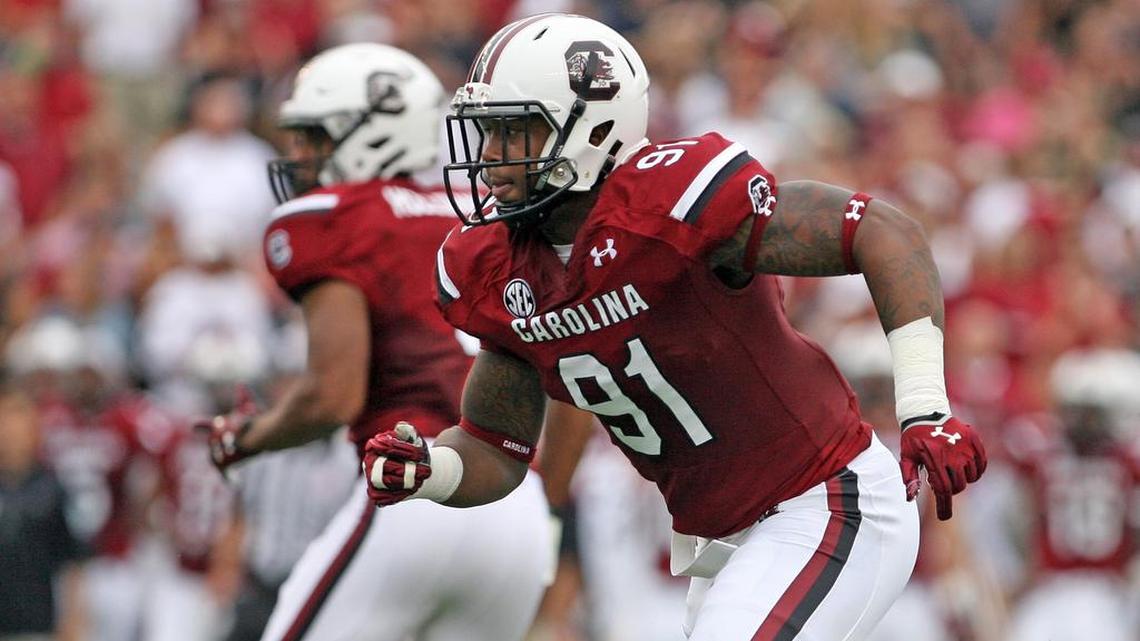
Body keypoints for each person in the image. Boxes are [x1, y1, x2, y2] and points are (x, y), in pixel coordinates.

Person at [362, 14, 988, 641]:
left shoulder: (668, 202)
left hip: (825, 500)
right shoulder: (493, 267)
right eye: (486, 133)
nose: (492, 159)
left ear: (592, 127)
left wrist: (925, 408)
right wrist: (432, 471)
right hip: (718, 544)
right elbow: (495, 446)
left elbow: (882, 232)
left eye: (515, 130)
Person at [196, 43, 552, 641]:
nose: (299, 155)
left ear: (374, 133)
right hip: (520, 507)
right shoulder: (483, 215)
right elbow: (563, 378)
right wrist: (554, 508)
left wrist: (246, 437)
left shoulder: (337, 219)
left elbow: (333, 395)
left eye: (315, 137)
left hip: (415, 486)